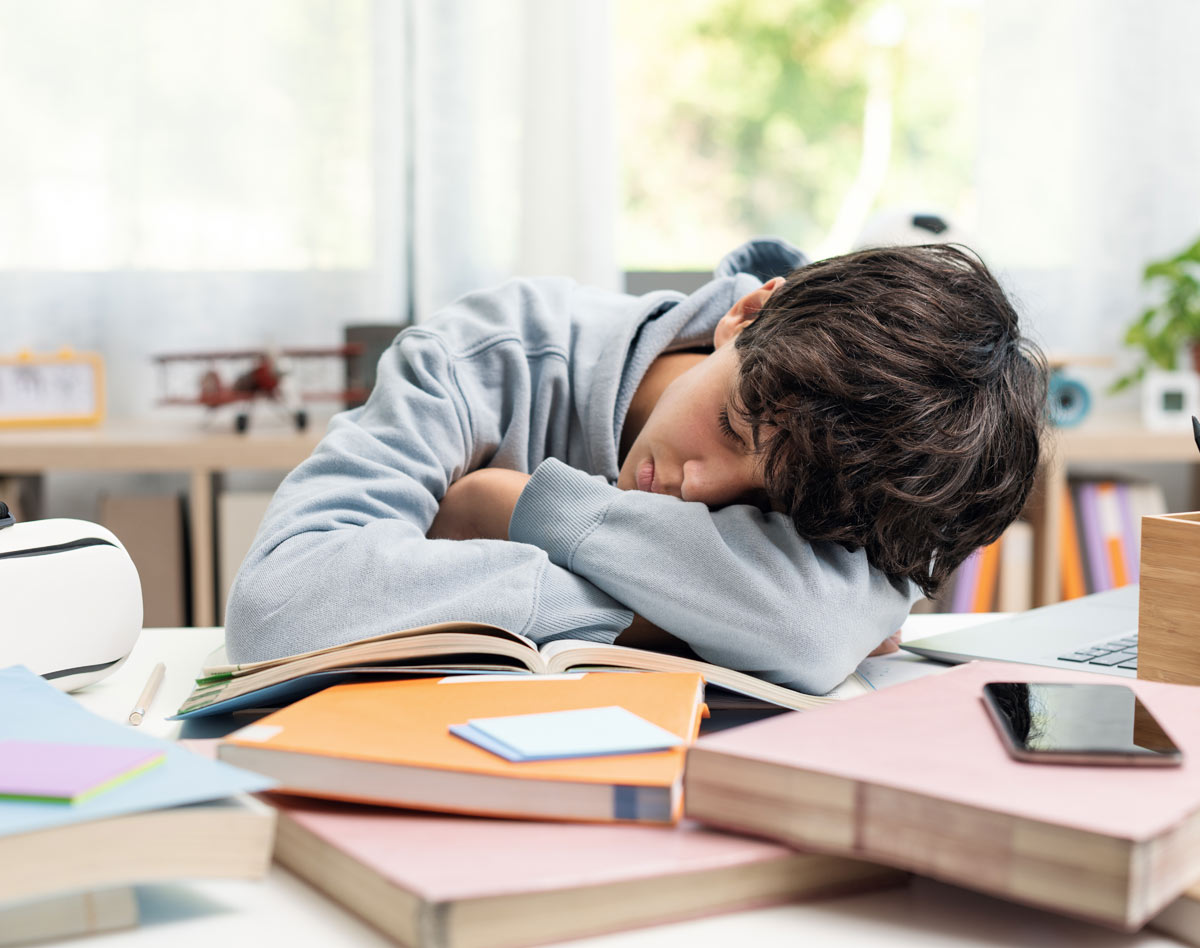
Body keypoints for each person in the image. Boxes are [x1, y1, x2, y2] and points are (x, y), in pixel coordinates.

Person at [224, 237, 1047, 695]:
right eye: (729, 424)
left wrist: (509, 508)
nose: (701, 485)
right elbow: (280, 607)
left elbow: (810, 627)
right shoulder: (487, 357)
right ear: (747, 314)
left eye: (765, 507)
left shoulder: (888, 454)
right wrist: (690, 618)